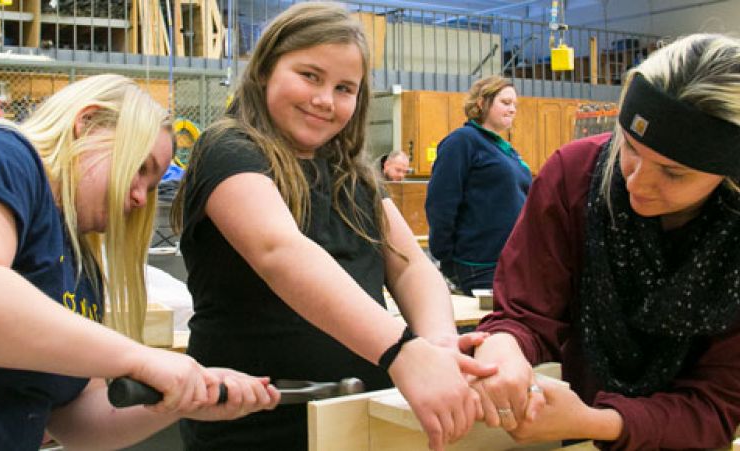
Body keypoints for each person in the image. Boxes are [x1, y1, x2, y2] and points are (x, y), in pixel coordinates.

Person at [172, 3, 496, 450]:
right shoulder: (228, 147)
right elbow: (279, 252)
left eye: (345, 88)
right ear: (265, 70)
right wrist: (401, 350)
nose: (325, 99)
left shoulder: (355, 173)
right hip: (257, 427)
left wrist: (437, 344)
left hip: (357, 419)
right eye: (310, 76)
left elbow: (409, 267)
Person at [0, 74, 278, 450]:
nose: (139, 199)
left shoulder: (78, 267)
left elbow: (78, 420)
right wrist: (139, 359)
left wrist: (182, 396)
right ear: (87, 124)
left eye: (151, 187)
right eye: (140, 168)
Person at [471, 33, 740, 449]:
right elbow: (524, 312)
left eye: (673, 172)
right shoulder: (574, 174)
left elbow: (718, 402)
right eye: (630, 146)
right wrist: (502, 347)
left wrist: (598, 422)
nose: (636, 180)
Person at [425, 75, 531, 293]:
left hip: (512, 262)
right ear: (482, 103)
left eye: (515, 105)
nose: (512, 109)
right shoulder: (462, 141)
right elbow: (441, 202)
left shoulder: (508, 151)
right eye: (505, 102)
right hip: (479, 265)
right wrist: (447, 258)